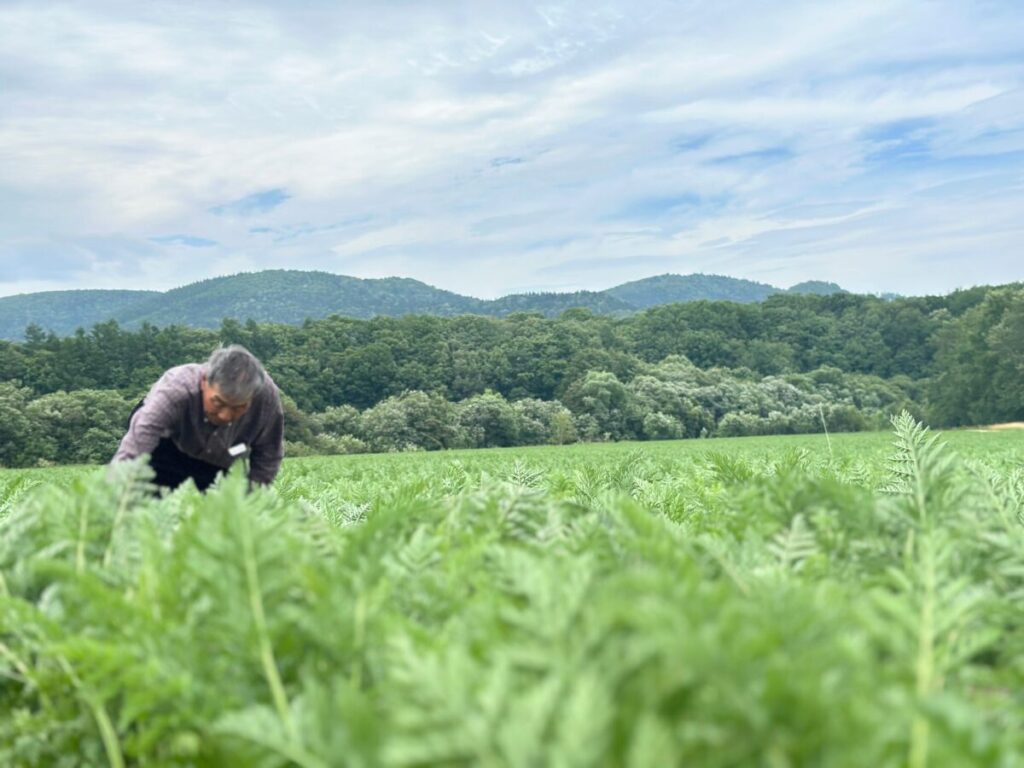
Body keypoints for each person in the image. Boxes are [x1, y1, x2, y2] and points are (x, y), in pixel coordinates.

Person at [112, 345, 284, 491]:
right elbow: (136, 448)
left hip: (219, 458)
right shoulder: (175, 390)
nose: (225, 416)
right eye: (218, 403)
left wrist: (251, 501)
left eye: (239, 408)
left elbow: (268, 455)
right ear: (204, 381)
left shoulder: (267, 399)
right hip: (166, 446)